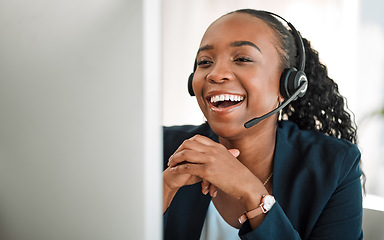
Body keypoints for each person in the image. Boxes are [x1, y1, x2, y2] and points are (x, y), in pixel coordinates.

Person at [162, 9, 363, 240]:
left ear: (288, 86)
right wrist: (161, 192)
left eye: (242, 59)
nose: (215, 74)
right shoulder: (159, 149)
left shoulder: (336, 166)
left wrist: (252, 193)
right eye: (205, 62)